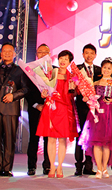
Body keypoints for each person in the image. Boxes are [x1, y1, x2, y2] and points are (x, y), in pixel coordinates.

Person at [78, 58, 112, 179]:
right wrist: (86, 98)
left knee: (107, 143)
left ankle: (104, 168)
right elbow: (90, 97)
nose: (106, 70)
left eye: (109, 68)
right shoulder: (95, 83)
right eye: (104, 68)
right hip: (97, 114)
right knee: (97, 142)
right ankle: (98, 168)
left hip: (110, 114)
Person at [36, 49, 78, 177]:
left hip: (65, 109)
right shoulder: (51, 73)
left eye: (66, 59)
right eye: (61, 58)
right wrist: (43, 93)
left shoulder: (73, 76)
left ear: (70, 62)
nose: (63, 61)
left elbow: (75, 94)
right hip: (51, 108)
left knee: (63, 139)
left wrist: (74, 89)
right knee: (51, 138)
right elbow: (44, 90)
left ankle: (60, 167)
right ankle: (52, 167)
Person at [0, 42, 29, 176]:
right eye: (4, 51)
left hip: (11, 109)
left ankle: (7, 168)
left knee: (9, 139)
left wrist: (14, 96)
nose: (7, 53)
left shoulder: (19, 70)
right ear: (1, 54)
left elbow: (25, 89)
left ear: (14, 54)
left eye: (9, 51)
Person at [74, 43, 103, 175]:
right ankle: (78, 166)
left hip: (95, 108)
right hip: (81, 106)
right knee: (80, 135)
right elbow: (73, 87)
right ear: (83, 54)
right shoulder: (77, 69)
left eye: (92, 53)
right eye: (87, 53)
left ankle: (89, 165)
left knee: (92, 136)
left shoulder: (99, 70)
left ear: (95, 55)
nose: (89, 55)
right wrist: (80, 93)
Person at [27, 42, 52, 175]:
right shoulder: (29, 71)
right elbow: (26, 90)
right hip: (35, 109)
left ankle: (47, 165)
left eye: (45, 52)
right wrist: (36, 105)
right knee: (34, 138)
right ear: (36, 54)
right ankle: (31, 166)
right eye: (40, 52)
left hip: (50, 109)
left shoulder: (55, 70)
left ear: (49, 55)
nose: (43, 54)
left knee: (49, 138)